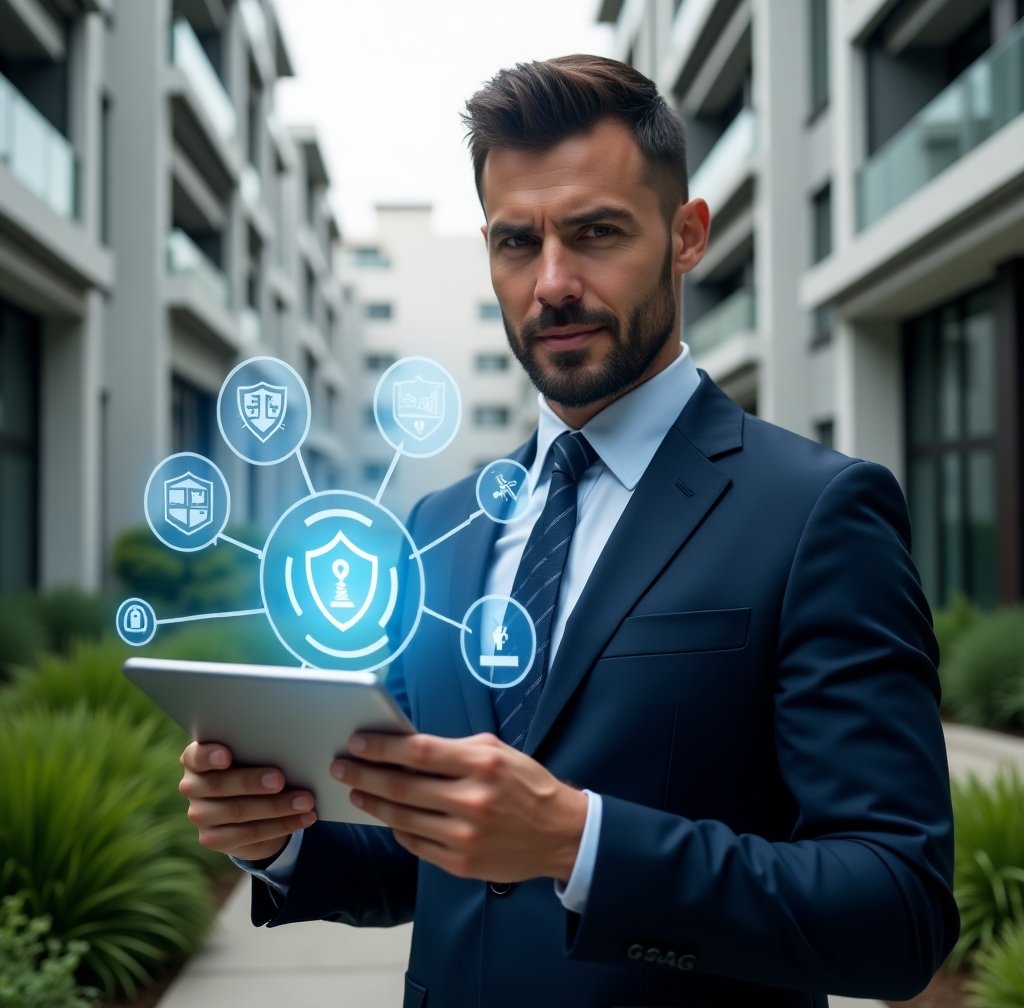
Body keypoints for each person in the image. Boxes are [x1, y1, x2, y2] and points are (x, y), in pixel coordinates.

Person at [179, 55, 958, 1007]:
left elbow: (896, 910)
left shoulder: (818, 513)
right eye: (517, 243)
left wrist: (578, 842)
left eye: (595, 233)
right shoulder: (443, 527)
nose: (551, 283)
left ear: (686, 236)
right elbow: (421, 860)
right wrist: (281, 835)